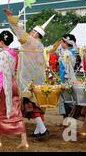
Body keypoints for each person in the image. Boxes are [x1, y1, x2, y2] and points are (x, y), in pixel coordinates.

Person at [5, 9, 55, 140]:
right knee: (35, 104)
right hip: (37, 79)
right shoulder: (40, 45)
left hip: (29, 80)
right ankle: (39, 130)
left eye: (32, 31)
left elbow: (19, 32)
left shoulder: (32, 42)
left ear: (36, 34)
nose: (30, 33)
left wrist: (11, 18)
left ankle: (42, 130)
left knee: (30, 104)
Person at [0, 31, 28, 149]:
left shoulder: (2, 54)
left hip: (4, 86)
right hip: (13, 83)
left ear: (1, 41)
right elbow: (7, 67)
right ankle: (24, 140)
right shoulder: (13, 53)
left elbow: (1, 73)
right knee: (16, 111)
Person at [58, 34, 78, 122]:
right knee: (70, 99)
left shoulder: (65, 54)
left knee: (66, 100)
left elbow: (63, 69)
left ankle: (67, 120)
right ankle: (68, 119)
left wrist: (60, 80)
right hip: (72, 78)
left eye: (62, 41)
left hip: (65, 79)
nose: (61, 43)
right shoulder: (73, 52)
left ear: (66, 43)